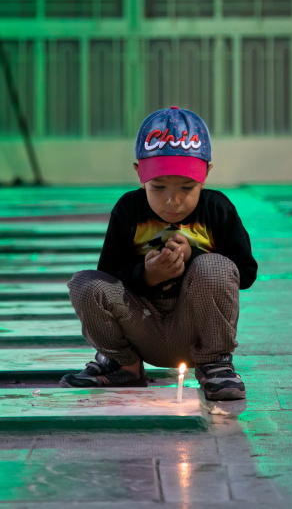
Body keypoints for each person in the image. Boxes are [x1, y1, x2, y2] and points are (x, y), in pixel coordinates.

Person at [61, 106, 258, 401]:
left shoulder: (217, 209)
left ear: (206, 174)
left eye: (187, 187)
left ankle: (216, 363)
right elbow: (107, 275)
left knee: (216, 265)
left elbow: (245, 273)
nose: (173, 200)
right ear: (139, 173)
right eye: (158, 186)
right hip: (143, 327)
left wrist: (193, 258)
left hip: (197, 331)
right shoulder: (129, 209)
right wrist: (147, 275)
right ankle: (122, 363)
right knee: (84, 284)